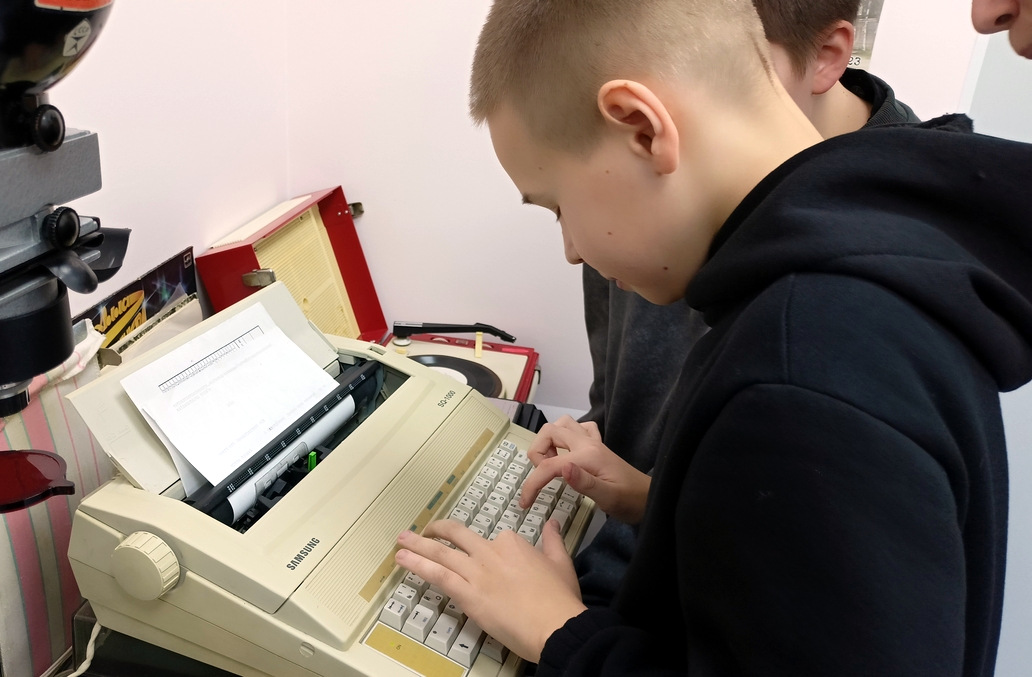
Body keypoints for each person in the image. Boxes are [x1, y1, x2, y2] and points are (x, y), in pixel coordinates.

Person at [394, 0, 1032, 675]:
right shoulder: (867, 265)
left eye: (557, 206)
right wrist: (662, 499)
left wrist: (562, 632)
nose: (572, 249)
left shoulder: (801, 371)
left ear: (642, 128)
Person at [574, 0, 919, 607]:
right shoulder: (639, 176)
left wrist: (566, 630)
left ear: (826, 57)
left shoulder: (881, 274)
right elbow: (618, 402)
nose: (656, 133)